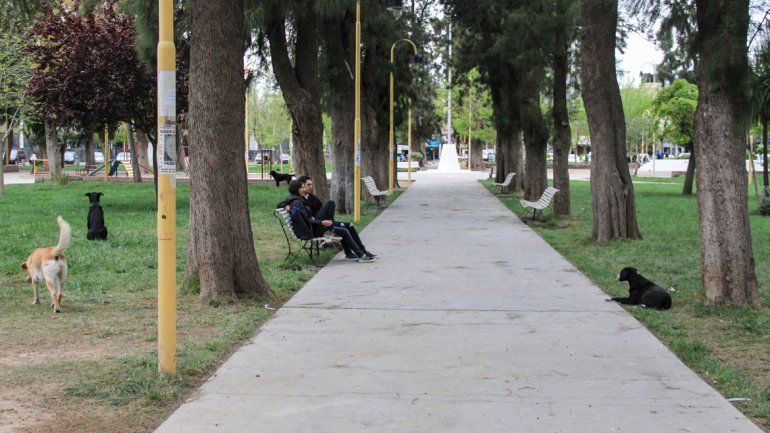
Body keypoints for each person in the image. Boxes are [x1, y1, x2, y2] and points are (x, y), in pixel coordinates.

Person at [281, 179, 377, 263]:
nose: (305, 189)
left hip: (314, 226)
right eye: (303, 187)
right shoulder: (297, 202)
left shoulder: (299, 199)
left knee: (346, 228)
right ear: (297, 190)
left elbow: (309, 216)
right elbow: (307, 220)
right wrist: (322, 223)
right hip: (311, 230)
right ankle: (360, 255)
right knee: (342, 226)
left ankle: (360, 254)